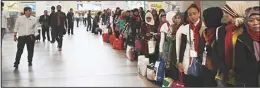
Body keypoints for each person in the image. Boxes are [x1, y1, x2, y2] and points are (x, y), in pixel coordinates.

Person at [176, 4, 205, 87]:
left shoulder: (204, 27)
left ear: (199, 13)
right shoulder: (185, 28)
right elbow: (182, 46)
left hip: (201, 61)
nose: (192, 16)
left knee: (200, 82)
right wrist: (179, 61)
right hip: (187, 60)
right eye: (190, 14)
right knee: (189, 82)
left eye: (194, 13)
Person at [200, 7, 223, 87]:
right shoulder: (205, 31)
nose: (204, 20)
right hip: (205, 65)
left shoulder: (221, 31)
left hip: (217, 67)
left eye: (205, 18)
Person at [164, 12, 183, 80]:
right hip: (173, 47)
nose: (177, 20)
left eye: (179, 18)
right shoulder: (172, 26)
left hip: (181, 47)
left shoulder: (184, 26)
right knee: (172, 62)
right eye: (176, 18)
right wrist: (176, 37)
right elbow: (168, 36)